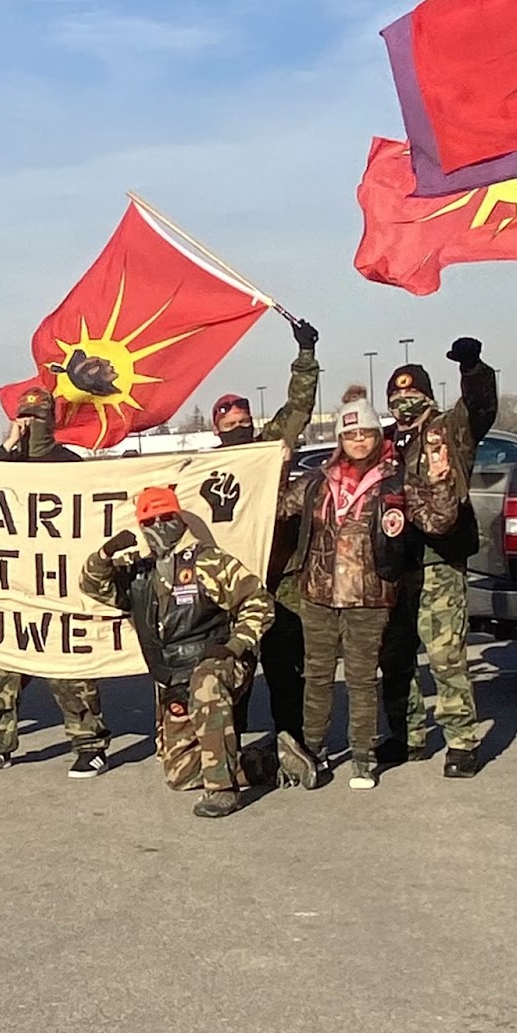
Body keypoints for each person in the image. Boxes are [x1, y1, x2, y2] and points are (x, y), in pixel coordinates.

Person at [276, 387, 457, 790]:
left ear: (379, 436)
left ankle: (363, 757)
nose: (358, 441)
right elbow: (272, 509)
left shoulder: (395, 481)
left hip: (370, 595)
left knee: (361, 679)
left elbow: (437, 522)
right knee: (317, 677)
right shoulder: (316, 483)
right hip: (318, 593)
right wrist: (276, 468)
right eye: (350, 434)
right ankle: (314, 752)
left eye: (366, 434)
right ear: (340, 439)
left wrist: (441, 479)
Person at [79, 485, 277, 817]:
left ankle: (222, 790)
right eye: (150, 521)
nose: (159, 526)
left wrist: (234, 646)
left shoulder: (209, 561)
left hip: (220, 662)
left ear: (180, 519)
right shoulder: (140, 573)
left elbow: (259, 603)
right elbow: (92, 587)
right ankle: (270, 763)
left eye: (166, 517)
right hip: (173, 678)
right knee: (179, 774)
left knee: (207, 681)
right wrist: (103, 556)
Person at [0, 387, 112, 778]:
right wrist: (8, 445)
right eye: (24, 416)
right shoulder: (7, 463)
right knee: (0, 672)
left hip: (59, 588)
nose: (29, 424)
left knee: (69, 673)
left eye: (38, 417)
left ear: (51, 422)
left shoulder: (69, 464)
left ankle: (89, 744)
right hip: (13, 589)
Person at [378, 338, 498, 777]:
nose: (403, 403)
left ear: (427, 396)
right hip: (395, 564)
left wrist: (474, 368)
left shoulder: (449, 430)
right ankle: (407, 735)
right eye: (395, 397)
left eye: (411, 395)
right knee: (395, 655)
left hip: (439, 560)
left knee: (446, 654)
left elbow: (481, 409)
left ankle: (461, 742)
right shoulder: (385, 444)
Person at [209, 316, 321, 748]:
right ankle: (229, 751)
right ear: (217, 427)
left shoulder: (268, 447)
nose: (237, 423)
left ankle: (293, 743)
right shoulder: (206, 467)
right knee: (231, 671)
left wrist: (305, 356)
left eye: (242, 417)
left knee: (286, 670)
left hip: (280, 578)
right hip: (232, 586)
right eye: (229, 419)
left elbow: (298, 409)